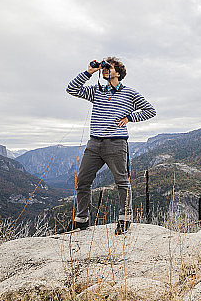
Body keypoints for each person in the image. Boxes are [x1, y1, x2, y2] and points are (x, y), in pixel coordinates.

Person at [66, 57, 156, 235]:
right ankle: (81, 220)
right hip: (94, 143)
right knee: (83, 181)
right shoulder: (96, 91)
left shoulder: (130, 93)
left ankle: (125, 219)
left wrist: (130, 118)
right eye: (103, 68)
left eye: (109, 67)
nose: (105, 70)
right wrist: (90, 72)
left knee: (122, 182)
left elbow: (150, 110)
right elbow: (71, 89)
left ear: (118, 73)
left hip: (116, 143)